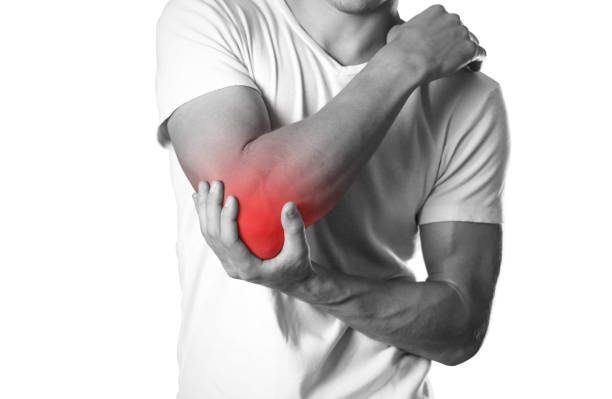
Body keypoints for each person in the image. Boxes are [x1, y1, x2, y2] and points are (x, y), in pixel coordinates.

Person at [155, 0, 509, 397]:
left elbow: (461, 327)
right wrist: (404, 63)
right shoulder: (214, 16)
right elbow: (251, 215)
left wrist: (311, 284)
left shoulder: (469, 95)